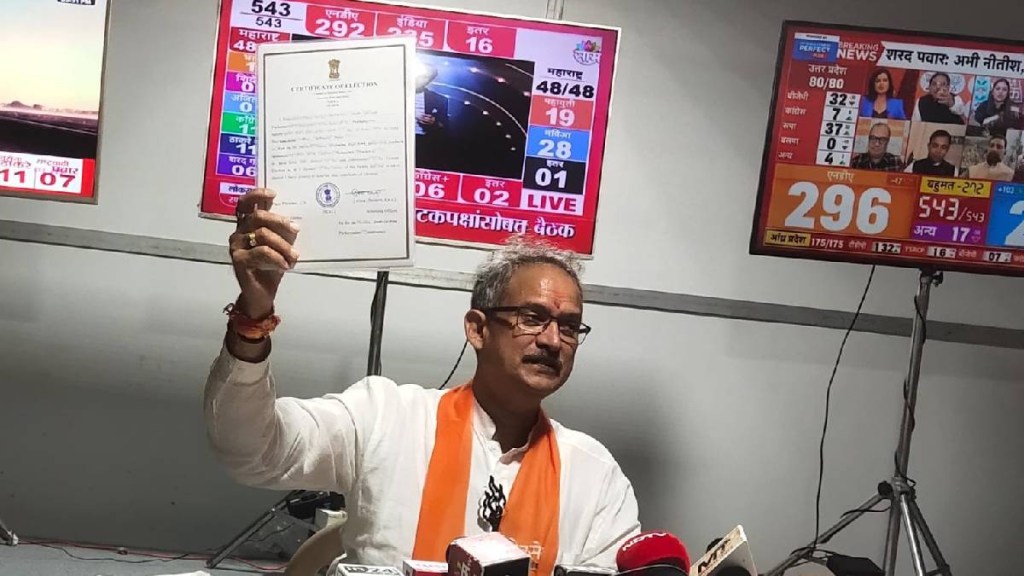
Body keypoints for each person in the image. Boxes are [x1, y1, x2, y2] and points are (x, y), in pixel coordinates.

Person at [204, 188, 641, 576]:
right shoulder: (388, 418)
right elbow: (252, 450)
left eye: (569, 327)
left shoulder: (594, 475)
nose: (552, 340)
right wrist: (252, 319)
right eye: (532, 317)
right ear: (477, 329)